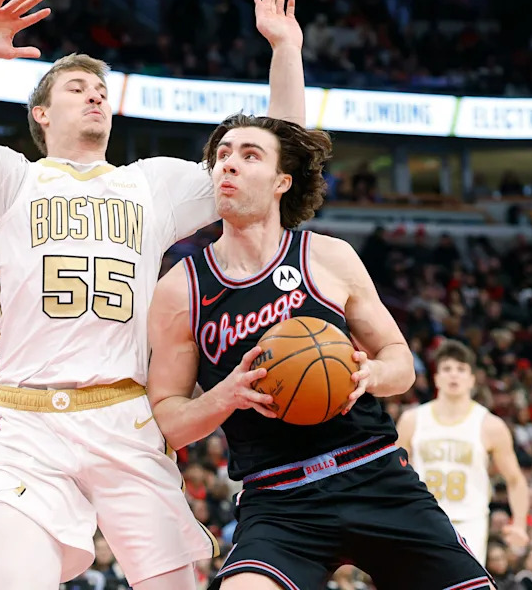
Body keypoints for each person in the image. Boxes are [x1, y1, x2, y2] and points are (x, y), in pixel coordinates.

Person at [0, 0, 307, 590]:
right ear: (42, 115)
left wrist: (285, 49)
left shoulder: (152, 184)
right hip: (29, 424)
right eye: (77, 87)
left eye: (101, 89)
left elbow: (276, 157)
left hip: (125, 415)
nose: (95, 94)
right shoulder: (6, 179)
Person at [146, 113, 495, 590]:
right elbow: (168, 420)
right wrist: (225, 395)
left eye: (250, 155)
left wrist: (370, 374)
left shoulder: (328, 257)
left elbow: (400, 363)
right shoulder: (180, 288)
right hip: (279, 498)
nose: (229, 164)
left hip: (374, 475)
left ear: (281, 182)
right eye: (222, 154)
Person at [396, 339, 530, 563]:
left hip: (469, 522)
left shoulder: (490, 425)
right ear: (436, 378)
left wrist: (520, 524)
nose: (453, 375)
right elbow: (393, 472)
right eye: (447, 369)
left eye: (461, 369)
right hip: (421, 519)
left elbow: (515, 479)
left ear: (472, 379)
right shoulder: (412, 419)